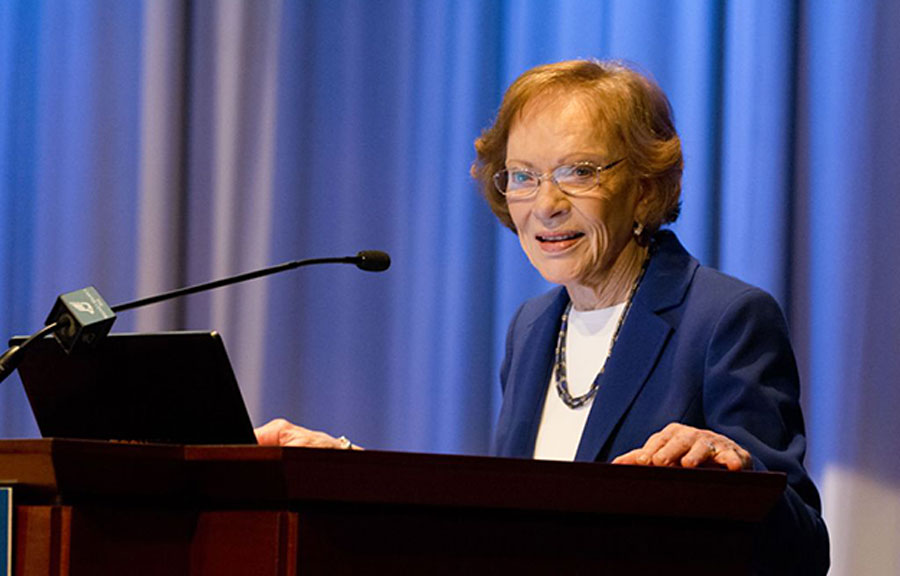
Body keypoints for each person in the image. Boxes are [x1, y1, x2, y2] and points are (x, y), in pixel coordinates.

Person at [256, 59, 829, 574]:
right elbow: (509, 519)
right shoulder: (533, 327)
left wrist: (741, 470)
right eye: (524, 176)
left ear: (646, 187)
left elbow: (804, 552)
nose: (546, 204)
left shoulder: (725, 318)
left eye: (579, 171)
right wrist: (347, 472)